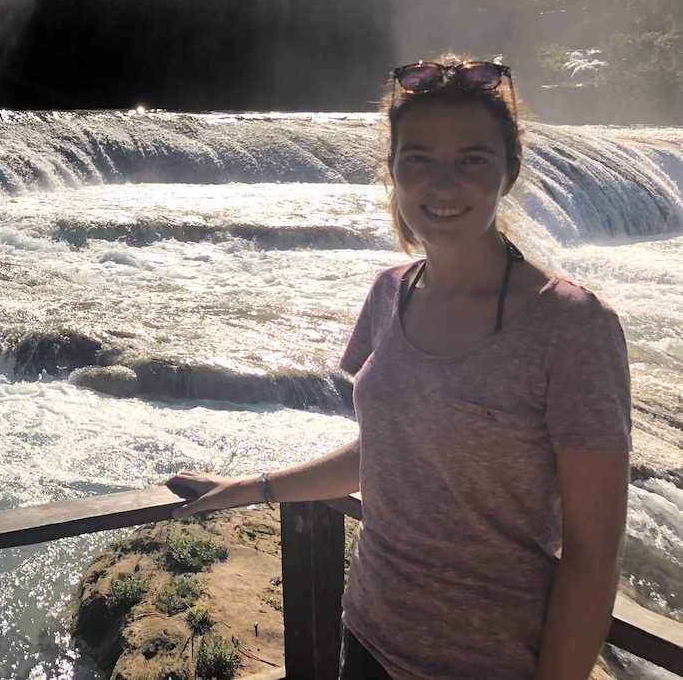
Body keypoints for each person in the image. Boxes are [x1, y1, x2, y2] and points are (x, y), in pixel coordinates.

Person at [166, 58, 632, 680]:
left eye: (472, 160)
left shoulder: (573, 327)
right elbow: (388, 452)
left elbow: (593, 558)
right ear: (393, 171)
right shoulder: (391, 292)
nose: (442, 185)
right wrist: (255, 487)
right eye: (418, 159)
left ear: (509, 174)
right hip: (368, 635)